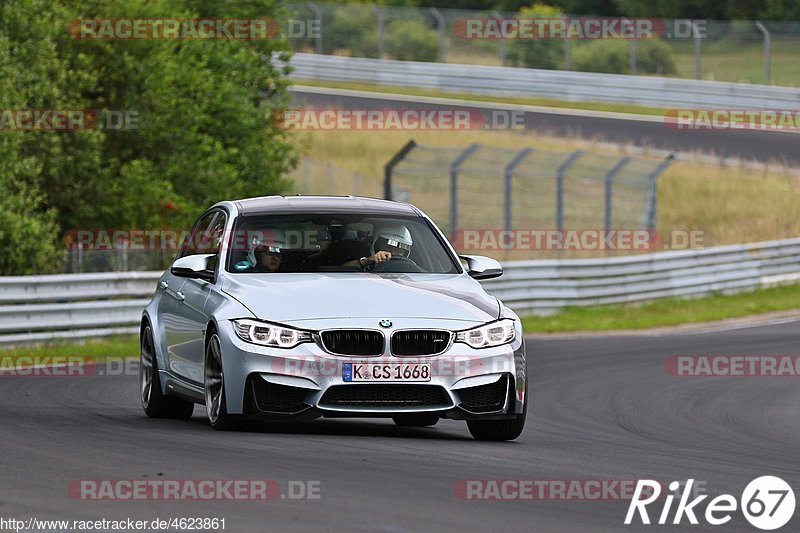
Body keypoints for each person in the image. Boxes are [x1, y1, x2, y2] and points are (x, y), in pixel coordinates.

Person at [346, 223, 413, 270]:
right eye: (389, 247)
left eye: (398, 250)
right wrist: (367, 261)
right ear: (377, 245)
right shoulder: (368, 262)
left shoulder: (411, 270)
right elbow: (343, 270)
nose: (392, 253)